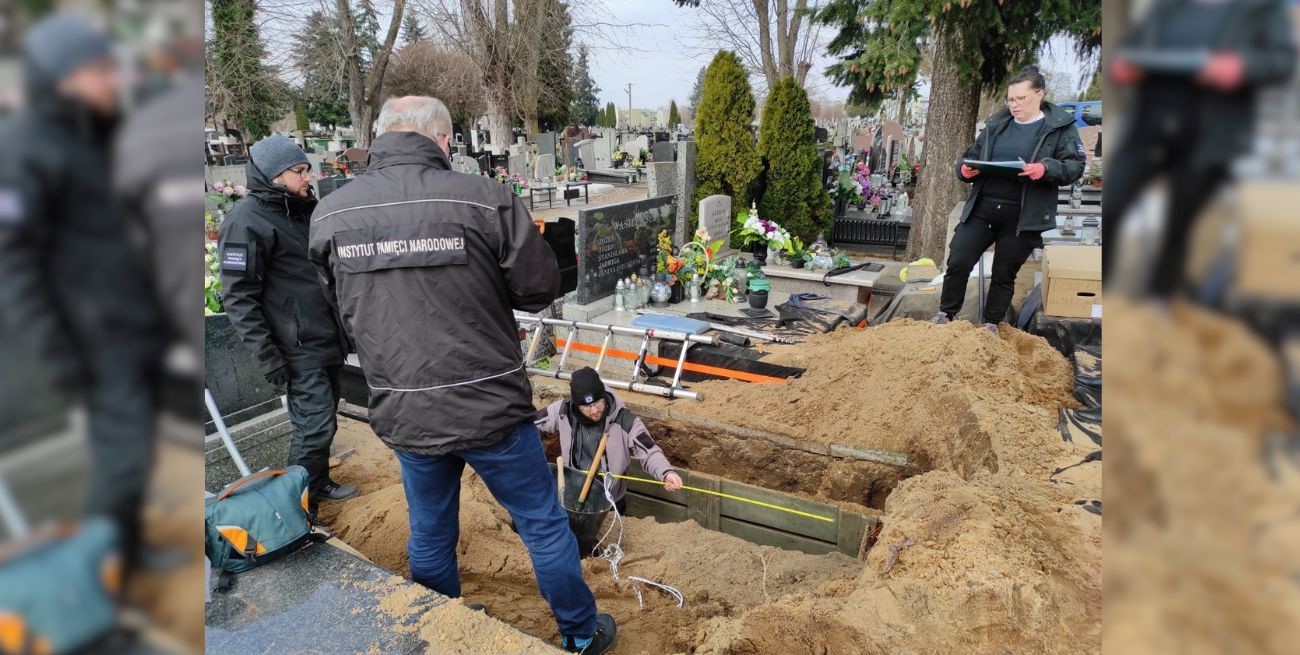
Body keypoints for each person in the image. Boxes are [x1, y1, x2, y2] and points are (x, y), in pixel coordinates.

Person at [308, 96, 616, 655]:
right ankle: (579, 631)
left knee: (429, 530)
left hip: (405, 408)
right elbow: (538, 287)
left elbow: (339, 310)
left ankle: (442, 628)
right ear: (443, 140)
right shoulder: (483, 198)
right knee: (542, 524)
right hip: (488, 406)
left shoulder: (332, 213)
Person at [0, 15, 164, 573]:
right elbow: (13, 260)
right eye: (100, 71)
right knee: (122, 454)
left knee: (134, 448)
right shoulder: (22, 146)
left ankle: (124, 551)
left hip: (126, 321)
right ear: (62, 74)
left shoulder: (89, 134)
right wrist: (55, 351)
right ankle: (99, 574)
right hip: (88, 333)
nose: (113, 80)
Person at [1105, 0, 1295, 297]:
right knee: (1111, 204)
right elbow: (1130, 49)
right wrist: (1124, 66)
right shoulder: (1167, 8)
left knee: (1179, 224)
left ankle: (1159, 304)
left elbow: (1281, 61)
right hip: (1147, 128)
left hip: (1209, 134)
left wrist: (1242, 67)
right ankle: (1107, 303)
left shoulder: (1260, 8)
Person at [217, 135, 356, 510]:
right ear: (272, 175)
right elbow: (237, 296)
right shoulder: (245, 221)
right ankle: (294, 506)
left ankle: (317, 482)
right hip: (294, 345)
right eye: (299, 171)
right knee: (314, 424)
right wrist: (268, 357)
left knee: (324, 419)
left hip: (324, 337)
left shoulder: (303, 210)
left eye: (307, 169)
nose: (307, 177)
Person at [932, 65, 1086, 334]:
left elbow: (1074, 166)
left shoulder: (1060, 128)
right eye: (1010, 99)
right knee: (958, 260)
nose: (1013, 105)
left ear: (1040, 95)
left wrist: (1046, 169)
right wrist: (964, 170)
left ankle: (991, 323)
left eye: (1020, 99)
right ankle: (946, 314)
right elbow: (969, 157)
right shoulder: (996, 124)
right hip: (983, 206)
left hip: (1023, 214)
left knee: (1005, 273)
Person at [535, 367, 684, 514]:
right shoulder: (563, 411)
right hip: (572, 493)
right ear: (576, 404)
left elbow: (649, 451)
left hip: (609, 501)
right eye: (586, 406)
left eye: (597, 403)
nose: (594, 410)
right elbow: (531, 424)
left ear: (604, 396)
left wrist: (666, 473)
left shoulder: (624, 421)